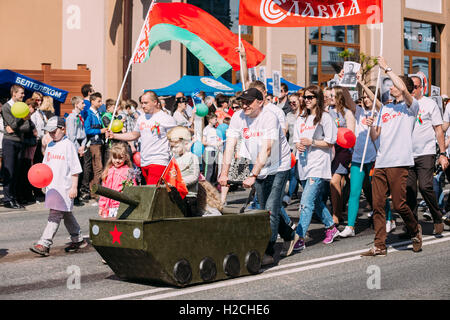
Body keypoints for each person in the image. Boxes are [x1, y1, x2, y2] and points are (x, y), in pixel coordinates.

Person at [218, 87, 294, 266]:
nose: (244, 105)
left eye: (249, 102)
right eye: (242, 102)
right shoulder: (238, 117)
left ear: (260, 102)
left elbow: (267, 149)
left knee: (269, 210)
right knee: (265, 209)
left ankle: (268, 252)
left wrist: (253, 174)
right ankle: (291, 235)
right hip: (258, 164)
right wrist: (224, 172)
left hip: (278, 165)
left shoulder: (269, 117)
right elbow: (230, 145)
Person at [362, 56, 422, 256]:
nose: (392, 88)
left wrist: (386, 67)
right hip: (381, 161)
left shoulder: (410, 107)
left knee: (399, 204)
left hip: (399, 162)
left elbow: (404, 90)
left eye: (394, 86)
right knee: (378, 204)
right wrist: (371, 127)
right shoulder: (385, 108)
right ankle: (379, 245)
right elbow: (375, 136)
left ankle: (415, 230)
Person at [287, 85, 339, 256]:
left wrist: (312, 143)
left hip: (318, 165)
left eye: (310, 97)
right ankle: (331, 227)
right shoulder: (301, 118)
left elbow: (331, 142)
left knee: (306, 202)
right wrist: (299, 145)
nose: (307, 100)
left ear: (318, 99)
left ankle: (299, 238)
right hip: (303, 165)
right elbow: (296, 140)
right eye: (305, 97)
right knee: (315, 201)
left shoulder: (325, 118)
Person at [340, 77, 394, 237]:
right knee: (354, 192)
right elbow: (347, 98)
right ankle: (350, 227)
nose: (365, 99)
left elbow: (378, 104)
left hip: (376, 159)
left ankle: (388, 219)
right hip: (358, 159)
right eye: (363, 97)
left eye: (368, 96)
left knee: (379, 193)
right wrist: (345, 83)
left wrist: (363, 84)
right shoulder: (358, 112)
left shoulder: (381, 111)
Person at [29, 116, 85, 256]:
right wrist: (43, 184)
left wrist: (74, 187)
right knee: (65, 213)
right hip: (52, 187)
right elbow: (45, 167)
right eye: (49, 132)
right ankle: (78, 239)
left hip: (64, 187)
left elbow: (75, 169)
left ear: (63, 129)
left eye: (54, 131)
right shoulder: (50, 145)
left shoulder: (68, 145)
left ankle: (44, 243)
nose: (52, 134)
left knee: (55, 214)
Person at [405, 74, 447, 235]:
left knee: (425, 186)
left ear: (421, 87)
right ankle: (413, 227)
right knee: (409, 190)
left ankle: (437, 217)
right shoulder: (404, 105)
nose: (412, 90)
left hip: (426, 152)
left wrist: (442, 153)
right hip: (408, 154)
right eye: (410, 87)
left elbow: (438, 130)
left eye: (415, 87)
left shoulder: (429, 104)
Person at [106, 91, 177, 185]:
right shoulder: (142, 118)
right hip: (143, 161)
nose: (143, 106)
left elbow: (177, 136)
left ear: (155, 102)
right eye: (142, 103)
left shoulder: (166, 118)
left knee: (151, 193)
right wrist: (114, 135)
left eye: (146, 103)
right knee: (146, 192)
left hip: (159, 160)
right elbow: (134, 135)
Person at [328, 85, 356, 225]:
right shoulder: (327, 111)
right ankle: (338, 210)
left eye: (333, 95)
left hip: (343, 151)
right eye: (329, 95)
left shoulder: (347, 113)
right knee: (333, 184)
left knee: (334, 181)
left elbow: (351, 134)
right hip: (329, 150)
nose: (330, 98)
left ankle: (336, 214)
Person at [1, 84, 26, 209]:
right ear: (14, 93)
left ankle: (14, 197)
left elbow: (26, 127)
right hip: (9, 142)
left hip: (20, 141)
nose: (23, 95)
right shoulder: (6, 107)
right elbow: (12, 124)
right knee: (9, 171)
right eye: (21, 93)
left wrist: (17, 126)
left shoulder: (22, 107)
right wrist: (21, 119)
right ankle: (7, 199)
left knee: (17, 171)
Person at [98, 142, 136, 218]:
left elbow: (133, 189)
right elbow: (104, 191)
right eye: (115, 158)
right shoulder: (108, 171)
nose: (117, 160)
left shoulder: (129, 171)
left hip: (121, 206)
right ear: (111, 157)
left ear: (125, 157)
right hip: (109, 207)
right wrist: (101, 206)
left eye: (120, 158)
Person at [84, 92, 107, 199]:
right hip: (93, 144)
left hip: (99, 143)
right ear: (92, 101)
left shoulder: (99, 113)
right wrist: (100, 130)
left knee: (98, 167)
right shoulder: (89, 113)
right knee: (98, 168)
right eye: (98, 101)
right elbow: (87, 130)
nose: (101, 103)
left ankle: (94, 190)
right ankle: (95, 192)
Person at [66, 96, 88, 205]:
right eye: (82, 103)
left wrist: (83, 145)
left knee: (80, 172)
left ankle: (78, 195)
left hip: (80, 146)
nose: (84, 105)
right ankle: (73, 197)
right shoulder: (71, 118)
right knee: (75, 173)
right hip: (74, 147)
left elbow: (83, 134)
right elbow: (71, 137)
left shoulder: (80, 117)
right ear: (76, 104)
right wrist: (77, 149)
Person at [17, 98, 38, 205]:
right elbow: (29, 131)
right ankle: (23, 196)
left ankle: (27, 195)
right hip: (25, 147)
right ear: (29, 106)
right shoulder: (24, 117)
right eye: (33, 108)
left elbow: (34, 131)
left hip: (29, 147)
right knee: (23, 173)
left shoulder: (28, 118)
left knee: (26, 172)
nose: (34, 111)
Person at [202, 113, 220, 184]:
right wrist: (212, 144)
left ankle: (211, 186)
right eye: (215, 119)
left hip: (214, 151)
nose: (216, 120)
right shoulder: (206, 129)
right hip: (208, 151)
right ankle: (206, 186)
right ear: (210, 120)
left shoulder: (214, 129)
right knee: (208, 170)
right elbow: (203, 142)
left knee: (213, 169)